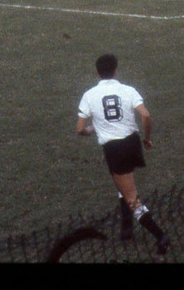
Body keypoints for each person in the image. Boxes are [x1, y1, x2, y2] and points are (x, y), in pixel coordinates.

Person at [76, 53, 171, 254]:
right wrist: (147, 138)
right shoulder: (128, 90)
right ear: (116, 71)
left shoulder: (89, 95)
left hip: (114, 150)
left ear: (97, 73)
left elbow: (79, 129)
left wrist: (91, 129)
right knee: (124, 182)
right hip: (132, 144)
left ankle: (160, 236)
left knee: (131, 196)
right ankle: (126, 228)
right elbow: (145, 115)